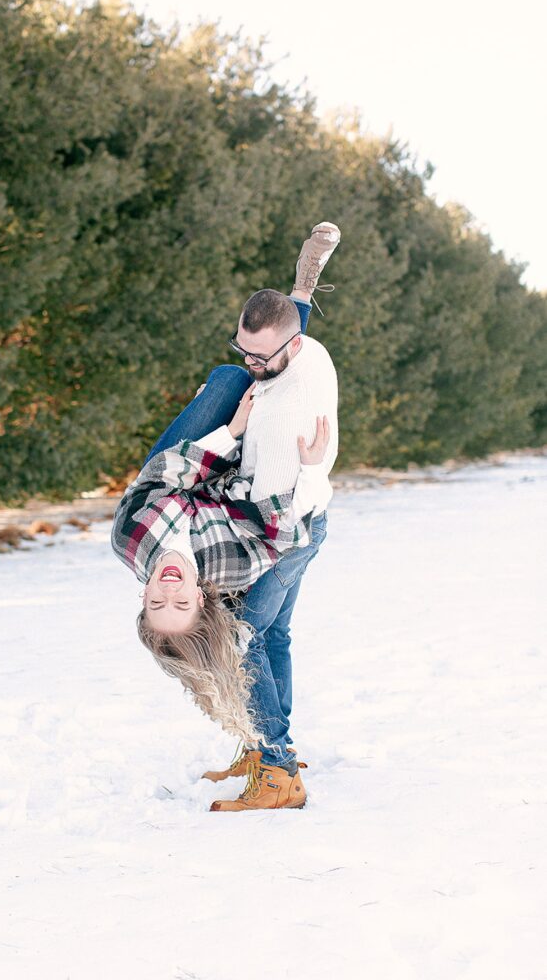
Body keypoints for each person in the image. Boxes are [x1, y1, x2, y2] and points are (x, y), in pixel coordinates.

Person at [111, 222, 340, 810]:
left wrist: (227, 432)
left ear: (141, 598)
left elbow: (167, 473)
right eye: (180, 603)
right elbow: (277, 530)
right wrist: (307, 471)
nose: (168, 591)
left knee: (233, 377)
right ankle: (273, 762)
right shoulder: (226, 568)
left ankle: (273, 760)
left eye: (156, 603)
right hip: (273, 512)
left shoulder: (131, 539)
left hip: (193, 466)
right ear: (198, 598)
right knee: (257, 636)